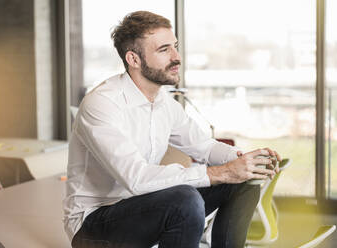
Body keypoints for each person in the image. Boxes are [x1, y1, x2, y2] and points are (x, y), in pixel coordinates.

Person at [63, 11, 281, 248]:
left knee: (242, 181)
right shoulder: (102, 103)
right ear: (133, 59)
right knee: (184, 200)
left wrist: (244, 160)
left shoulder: (164, 102)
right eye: (164, 50)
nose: (177, 57)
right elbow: (135, 178)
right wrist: (222, 172)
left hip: (144, 205)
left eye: (175, 46)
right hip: (93, 224)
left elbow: (203, 146)